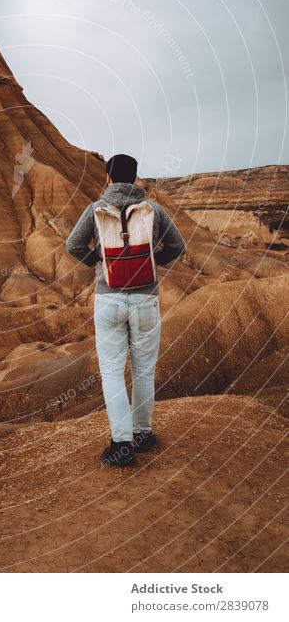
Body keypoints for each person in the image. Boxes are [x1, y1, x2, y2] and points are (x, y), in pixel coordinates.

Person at [65, 153, 186, 467]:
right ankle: (143, 433)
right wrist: (151, 264)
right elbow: (178, 246)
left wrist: (100, 264)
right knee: (144, 370)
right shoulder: (153, 210)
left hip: (110, 300)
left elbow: (72, 246)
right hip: (146, 299)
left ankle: (121, 444)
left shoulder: (96, 211)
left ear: (108, 178)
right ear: (134, 179)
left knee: (112, 373)